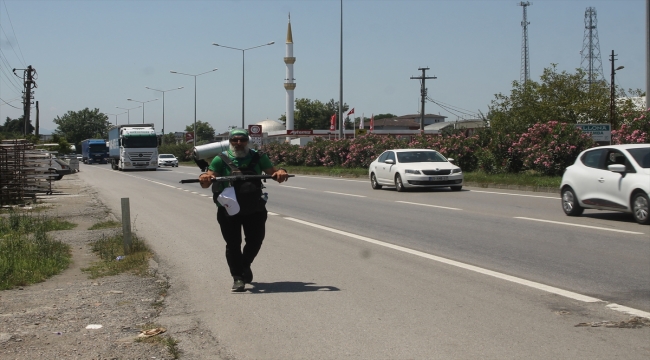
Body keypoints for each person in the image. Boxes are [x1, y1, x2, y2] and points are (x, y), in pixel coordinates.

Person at [199, 129, 289, 292]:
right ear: (230, 141)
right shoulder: (221, 159)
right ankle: (238, 278)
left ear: (248, 141)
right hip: (228, 208)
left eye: (242, 140)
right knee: (233, 244)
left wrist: (280, 172)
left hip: (254, 207)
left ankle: (244, 264)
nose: (239, 143)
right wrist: (205, 177)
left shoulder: (259, 157)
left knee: (256, 240)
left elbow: (274, 173)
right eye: (235, 140)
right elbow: (207, 180)